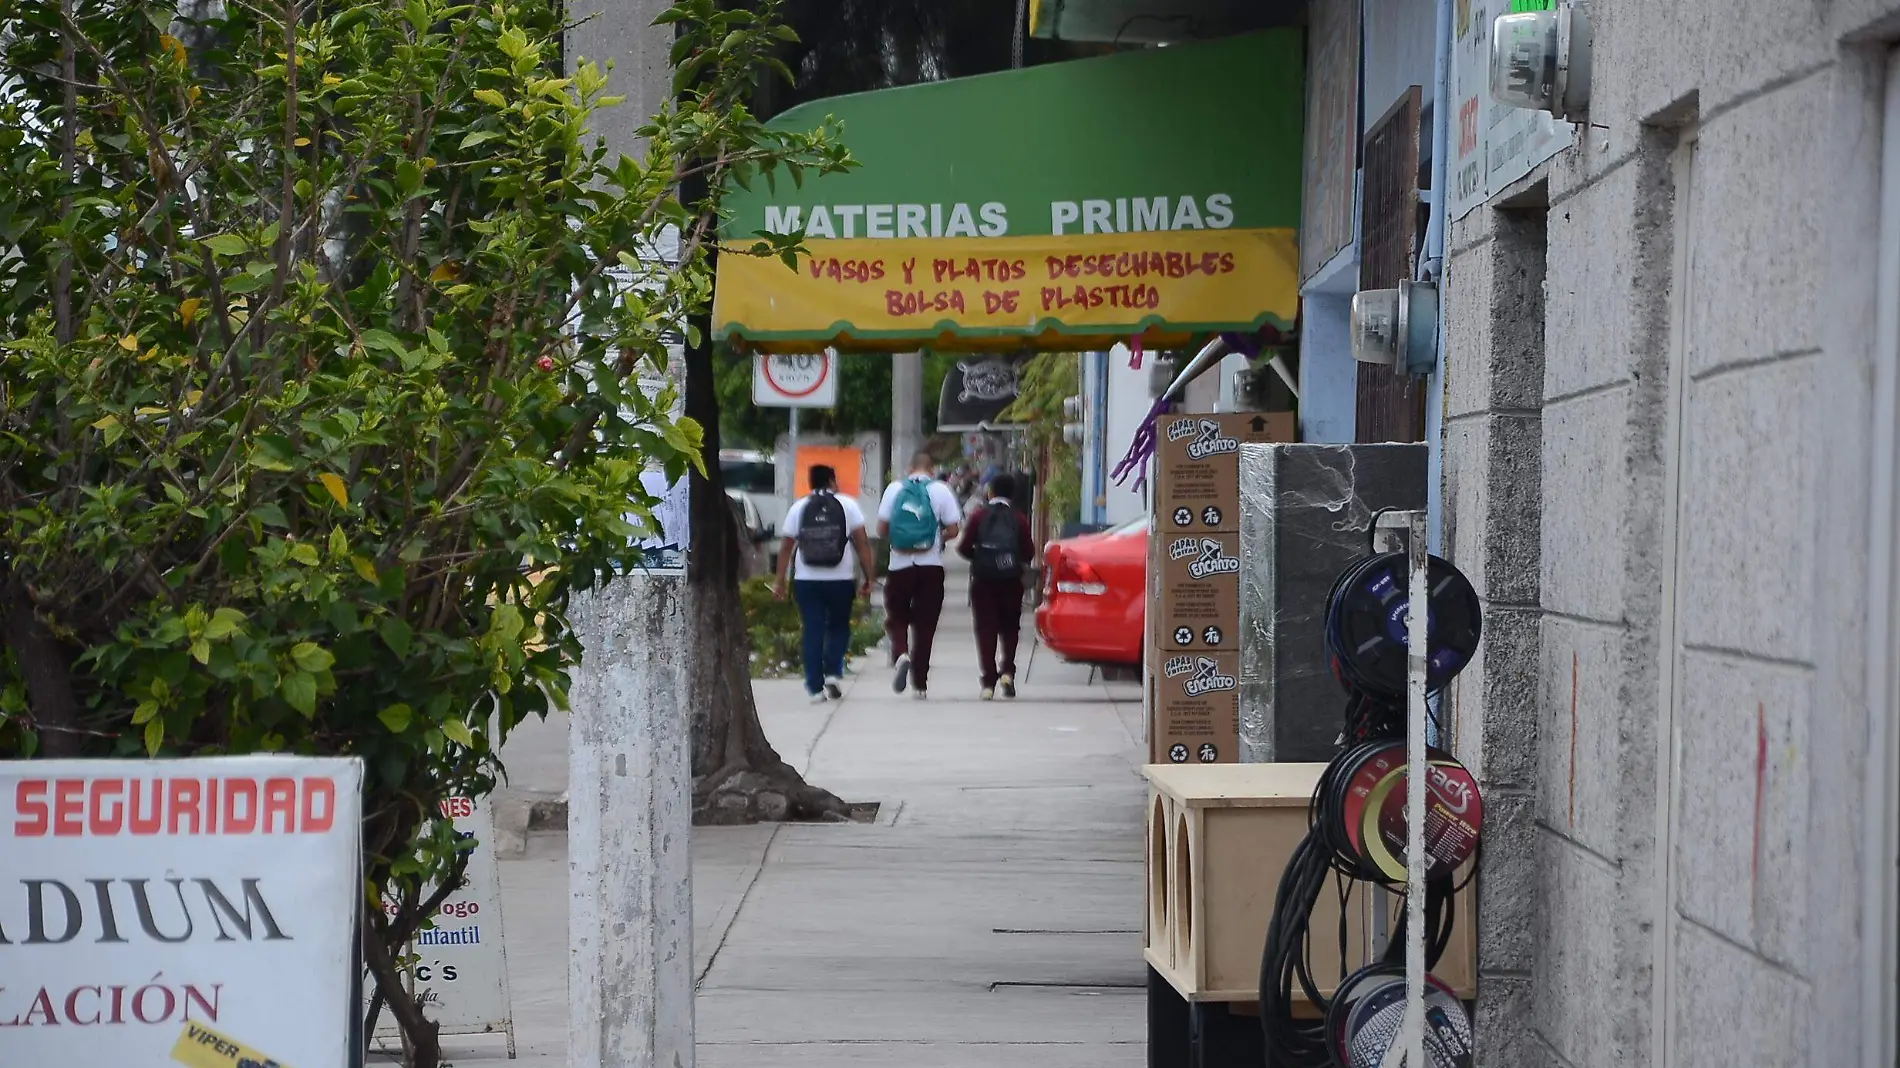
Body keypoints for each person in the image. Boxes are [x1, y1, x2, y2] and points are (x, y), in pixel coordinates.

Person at [775, 465, 876, 704]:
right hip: (840, 579)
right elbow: (862, 543)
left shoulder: (799, 507)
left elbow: (786, 547)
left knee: (813, 630)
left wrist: (779, 580)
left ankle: (814, 688)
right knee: (839, 626)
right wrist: (869, 576)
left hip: (806, 581)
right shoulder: (848, 505)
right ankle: (832, 672)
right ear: (832, 480)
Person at [877, 450, 962, 699]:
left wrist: (899, 535)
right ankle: (920, 684)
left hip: (899, 566)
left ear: (909, 468)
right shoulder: (941, 490)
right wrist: (937, 538)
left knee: (897, 616)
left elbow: (882, 529)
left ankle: (902, 654)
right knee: (926, 625)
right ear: (932, 469)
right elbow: (955, 529)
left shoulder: (894, 489)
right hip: (930, 566)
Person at [957, 473, 1036, 700]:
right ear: (1012, 494)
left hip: (983, 581)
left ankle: (988, 682)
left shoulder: (979, 516)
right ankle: (1008, 672)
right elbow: (1029, 552)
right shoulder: (1019, 518)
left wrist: (980, 557)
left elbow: (963, 548)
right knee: (1010, 628)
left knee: (986, 630)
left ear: (990, 492)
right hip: (1011, 581)